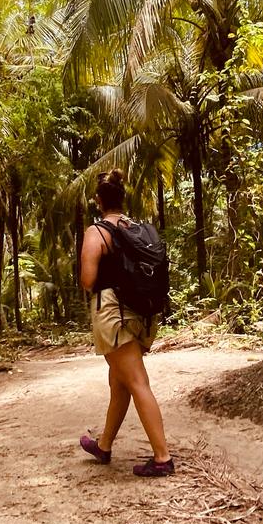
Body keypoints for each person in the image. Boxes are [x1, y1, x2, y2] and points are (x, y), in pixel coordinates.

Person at [78, 168, 174, 477]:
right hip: (142, 314)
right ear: (122, 198)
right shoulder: (137, 228)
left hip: (113, 314)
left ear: (98, 201)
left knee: (136, 381)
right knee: (119, 381)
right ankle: (103, 446)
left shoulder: (97, 232)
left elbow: (88, 280)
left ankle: (162, 458)